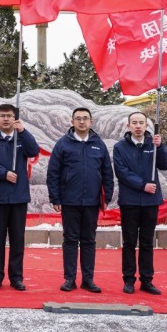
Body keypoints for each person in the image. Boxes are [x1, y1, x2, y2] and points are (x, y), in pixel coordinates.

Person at [46, 107, 114, 293]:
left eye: (85, 118)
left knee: (89, 240)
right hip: (70, 201)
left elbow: (107, 172)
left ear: (91, 122)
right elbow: (53, 172)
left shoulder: (98, 144)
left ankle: (88, 279)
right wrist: (55, 197)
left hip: (92, 201)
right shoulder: (63, 144)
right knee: (70, 240)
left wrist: (107, 197)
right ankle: (69, 279)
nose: (82, 122)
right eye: (78, 118)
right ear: (72, 122)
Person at [0, 103, 40, 291]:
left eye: (9, 116)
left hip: (19, 197)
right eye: (2, 116)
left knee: (17, 240)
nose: (6, 119)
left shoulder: (21, 139)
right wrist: (3, 173)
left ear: (15, 119)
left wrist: (24, 132)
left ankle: (16, 277)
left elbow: (33, 151)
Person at [112, 111, 167, 296]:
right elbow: (121, 172)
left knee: (147, 242)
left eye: (141, 123)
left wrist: (160, 147)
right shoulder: (120, 147)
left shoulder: (154, 144)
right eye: (134, 123)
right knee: (129, 242)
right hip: (130, 201)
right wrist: (142, 185)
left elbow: (165, 165)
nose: (138, 126)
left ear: (146, 125)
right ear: (128, 126)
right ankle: (129, 279)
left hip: (150, 201)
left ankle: (147, 280)